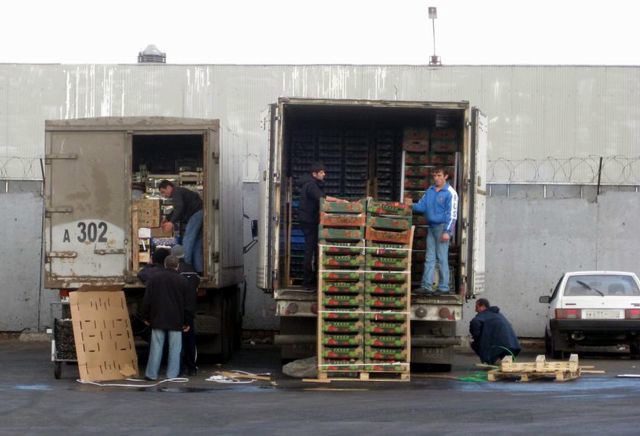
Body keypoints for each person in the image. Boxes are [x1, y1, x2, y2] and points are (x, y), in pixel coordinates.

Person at [142, 255, 193, 380]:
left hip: (157, 318)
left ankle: (151, 374)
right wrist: (186, 321)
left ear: (165, 265)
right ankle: (172, 375)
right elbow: (188, 304)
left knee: (156, 348)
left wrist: (146, 317)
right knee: (175, 349)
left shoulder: (154, 279)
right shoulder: (183, 281)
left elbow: (147, 300)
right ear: (177, 266)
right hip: (176, 320)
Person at [297, 162, 346, 290]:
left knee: (313, 249)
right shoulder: (311, 185)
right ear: (314, 174)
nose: (324, 174)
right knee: (310, 251)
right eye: (321, 172)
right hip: (309, 222)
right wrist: (338, 200)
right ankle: (307, 282)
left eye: (324, 172)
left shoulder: (311, 184)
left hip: (309, 220)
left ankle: (311, 280)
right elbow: (322, 198)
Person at [412, 167, 458, 294]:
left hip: (442, 227)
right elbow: (421, 206)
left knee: (442, 257)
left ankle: (443, 287)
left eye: (439, 175)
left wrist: (447, 231)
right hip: (431, 227)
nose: (436, 178)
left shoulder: (450, 193)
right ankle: (426, 286)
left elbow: (452, 214)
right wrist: (409, 205)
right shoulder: (430, 190)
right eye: (434, 176)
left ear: (446, 176)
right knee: (429, 257)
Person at [159, 180, 204, 274]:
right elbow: (178, 209)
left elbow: (179, 207)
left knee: (187, 240)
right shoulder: (179, 191)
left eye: (163, 192)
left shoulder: (176, 192)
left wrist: (171, 222)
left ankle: (185, 268)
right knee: (196, 244)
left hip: (195, 214)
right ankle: (199, 270)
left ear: (169, 187)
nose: (164, 195)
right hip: (200, 213)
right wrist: (167, 218)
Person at [171, 244, 200, 376]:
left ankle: (180, 368)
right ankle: (192, 367)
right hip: (190, 310)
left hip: (177, 310)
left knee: (178, 342)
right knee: (190, 340)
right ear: (184, 254)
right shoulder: (192, 270)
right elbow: (197, 285)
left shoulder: (175, 272)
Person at [470, 298, 521, 365]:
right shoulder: (498, 315)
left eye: (477, 307)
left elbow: (475, 322)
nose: (475, 310)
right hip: (513, 347)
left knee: (474, 344)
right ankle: (502, 361)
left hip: (499, 349)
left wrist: (478, 338)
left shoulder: (484, 315)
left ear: (482, 306)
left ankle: (491, 361)